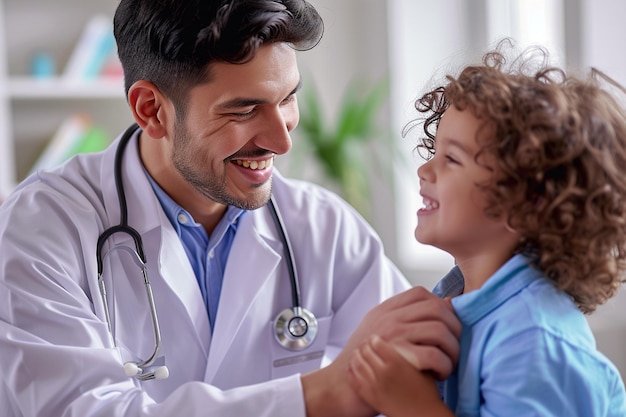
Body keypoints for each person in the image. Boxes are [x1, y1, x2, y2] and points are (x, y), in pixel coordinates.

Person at [0, 1, 462, 416]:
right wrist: (318, 394)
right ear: (151, 110)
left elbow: (418, 371)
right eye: (244, 111)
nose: (282, 139)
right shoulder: (39, 228)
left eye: (288, 99)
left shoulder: (324, 227)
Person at [347, 39, 626, 416]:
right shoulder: (458, 307)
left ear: (527, 200)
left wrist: (413, 405)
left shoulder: (533, 340)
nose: (424, 170)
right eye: (433, 153)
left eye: (451, 159)